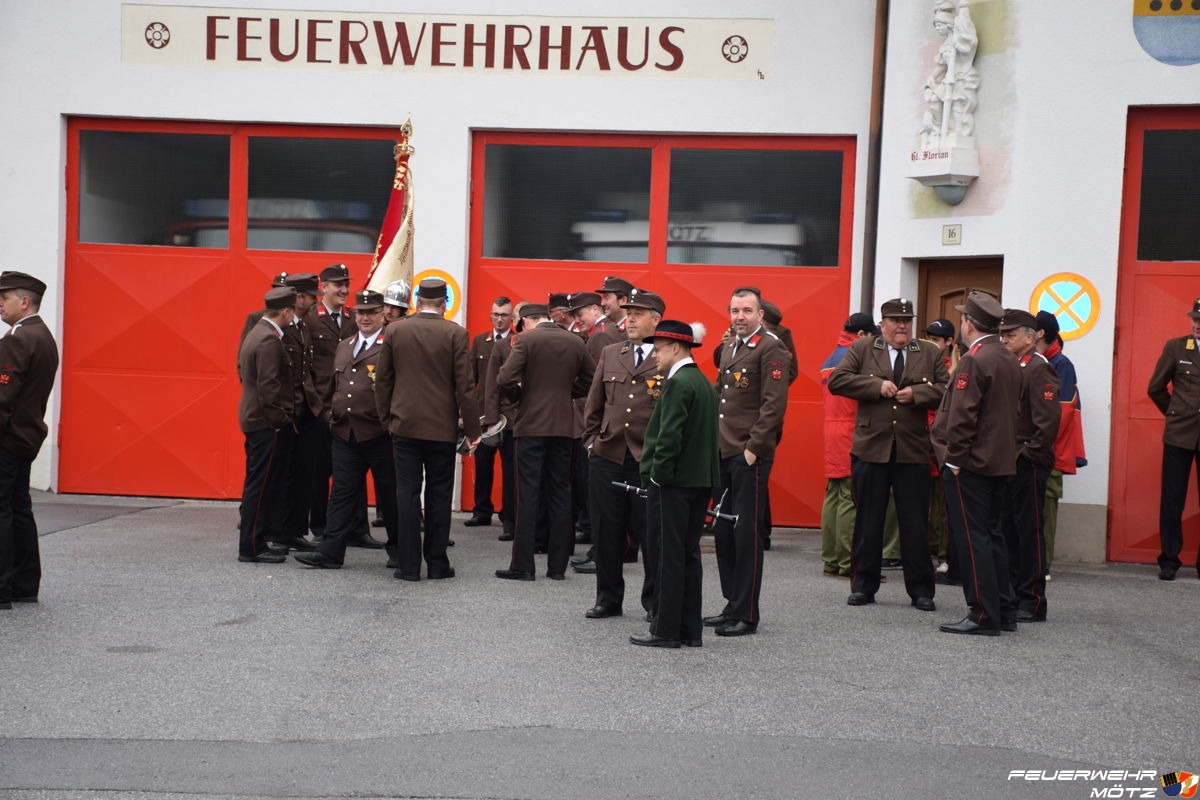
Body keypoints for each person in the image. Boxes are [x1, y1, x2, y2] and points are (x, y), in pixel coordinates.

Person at [828, 298, 945, 612]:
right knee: (868, 521)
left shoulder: (929, 352)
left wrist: (918, 394)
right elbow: (837, 381)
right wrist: (875, 386)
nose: (902, 326)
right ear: (882, 324)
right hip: (871, 448)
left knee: (914, 524)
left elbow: (947, 390)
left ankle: (921, 590)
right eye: (895, 320)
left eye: (907, 321)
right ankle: (863, 586)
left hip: (913, 451)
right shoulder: (864, 348)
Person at [374, 278, 480, 581]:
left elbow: (383, 380)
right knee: (439, 495)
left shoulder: (395, 331)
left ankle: (408, 566)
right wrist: (473, 430)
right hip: (441, 429)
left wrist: (387, 419)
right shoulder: (456, 334)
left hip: (404, 425)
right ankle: (436, 563)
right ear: (444, 304)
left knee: (407, 494)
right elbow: (465, 387)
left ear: (417, 301)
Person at [931, 291, 1020, 635]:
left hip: (971, 463)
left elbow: (964, 415)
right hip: (999, 460)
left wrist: (954, 460)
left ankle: (983, 613)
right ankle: (1004, 607)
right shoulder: (1007, 356)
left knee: (973, 539)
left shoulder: (975, 359)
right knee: (992, 535)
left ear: (969, 324)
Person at [630, 320, 720, 648]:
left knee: (667, 555)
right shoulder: (702, 382)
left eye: (658, 349)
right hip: (698, 481)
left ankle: (665, 630)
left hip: (674, 483)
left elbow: (669, 436)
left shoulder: (678, 383)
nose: (654, 355)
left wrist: (658, 477)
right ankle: (689, 629)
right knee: (688, 554)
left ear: (676, 348)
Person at [705, 288, 789, 637]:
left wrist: (753, 449)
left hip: (747, 455)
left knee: (746, 535)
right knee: (724, 532)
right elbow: (721, 395)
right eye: (734, 310)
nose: (739, 316)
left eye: (746, 310)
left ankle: (746, 613)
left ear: (760, 315)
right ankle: (731, 603)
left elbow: (773, 405)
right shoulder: (730, 346)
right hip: (722, 451)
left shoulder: (771, 348)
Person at [295, 291, 398, 569]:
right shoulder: (345, 345)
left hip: (380, 434)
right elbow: (333, 386)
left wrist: (392, 423)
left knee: (391, 495)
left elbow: (402, 388)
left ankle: (400, 552)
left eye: (372, 312)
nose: (365, 317)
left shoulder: (392, 345)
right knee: (341, 493)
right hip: (345, 433)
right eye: (361, 312)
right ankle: (330, 552)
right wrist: (330, 414)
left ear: (382, 314)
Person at [582, 289, 665, 620]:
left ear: (656, 320)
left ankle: (653, 601)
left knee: (651, 533)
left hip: (647, 458)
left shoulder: (666, 356)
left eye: (638, 314)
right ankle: (608, 598)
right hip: (609, 454)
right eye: (628, 313)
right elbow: (594, 402)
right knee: (606, 531)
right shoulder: (612, 352)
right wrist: (591, 441)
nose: (630, 319)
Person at [495, 303, 595, 581]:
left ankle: (523, 566)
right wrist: (567, 391)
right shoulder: (575, 341)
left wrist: (521, 395)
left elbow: (505, 378)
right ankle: (557, 567)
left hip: (531, 426)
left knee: (527, 494)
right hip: (564, 426)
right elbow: (592, 378)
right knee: (561, 494)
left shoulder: (526, 340)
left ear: (527, 320)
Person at [0, 271, 59, 609]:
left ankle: (2, 588)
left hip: (7, 439)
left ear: (24, 302)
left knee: (3, 510)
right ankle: (24, 584)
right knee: (19, 508)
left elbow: (3, 397)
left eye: (5, 298)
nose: (0, 304)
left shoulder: (18, 339)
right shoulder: (42, 335)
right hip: (26, 436)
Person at [998, 309, 1060, 621]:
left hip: (1027, 461)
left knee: (1028, 532)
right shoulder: (1014, 364)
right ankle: (1012, 594)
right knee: (1009, 530)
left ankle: (1032, 601)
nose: (1004, 340)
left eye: (1010, 335)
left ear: (1030, 337)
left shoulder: (1038, 367)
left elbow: (1047, 422)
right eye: (1002, 334)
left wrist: (1029, 454)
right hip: (1008, 459)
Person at [235, 286, 297, 564]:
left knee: (256, 483)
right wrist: (279, 421)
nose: (293, 316)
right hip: (264, 422)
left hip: (254, 418)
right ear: (285, 311)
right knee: (259, 487)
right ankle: (252, 546)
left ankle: (255, 541)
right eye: (292, 311)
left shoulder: (256, 332)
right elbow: (269, 388)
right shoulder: (269, 340)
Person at [1147, 298, 1200, 581]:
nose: (1197, 324)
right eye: (1195, 319)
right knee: (1172, 499)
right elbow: (1155, 387)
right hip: (1179, 434)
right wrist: (1173, 412)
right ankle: (1169, 560)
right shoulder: (1176, 347)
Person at [819, 312, 875, 579]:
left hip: (832, 429)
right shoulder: (855, 358)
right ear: (862, 335)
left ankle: (831, 561)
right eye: (872, 336)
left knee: (833, 494)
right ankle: (847, 563)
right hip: (851, 430)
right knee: (849, 499)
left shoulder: (830, 357)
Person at [1034, 310, 1086, 576]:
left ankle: (1042, 566)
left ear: (1040, 333)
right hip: (1039, 448)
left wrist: (1038, 443)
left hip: (1050, 452)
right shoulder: (1041, 361)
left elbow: (1063, 413)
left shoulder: (1061, 364)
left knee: (1046, 511)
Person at [466, 296, 514, 528]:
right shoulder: (480, 341)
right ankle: (481, 511)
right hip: (484, 415)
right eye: (495, 314)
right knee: (483, 464)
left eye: (504, 315)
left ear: (512, 317)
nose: (499, 319)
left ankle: (509, 513)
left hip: (509, 416)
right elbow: (470, 378)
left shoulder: (518, 342)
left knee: (510, 468)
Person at [923, 317, 957, 579]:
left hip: (942, 443)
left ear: (949, 342)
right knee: (924, 502)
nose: (931, 343)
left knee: (945, 505)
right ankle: (928, 550)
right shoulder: (921, 362)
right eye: (929, 338)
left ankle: (944, 556)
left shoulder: (954, 369)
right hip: (921, 442)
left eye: (936, 339)